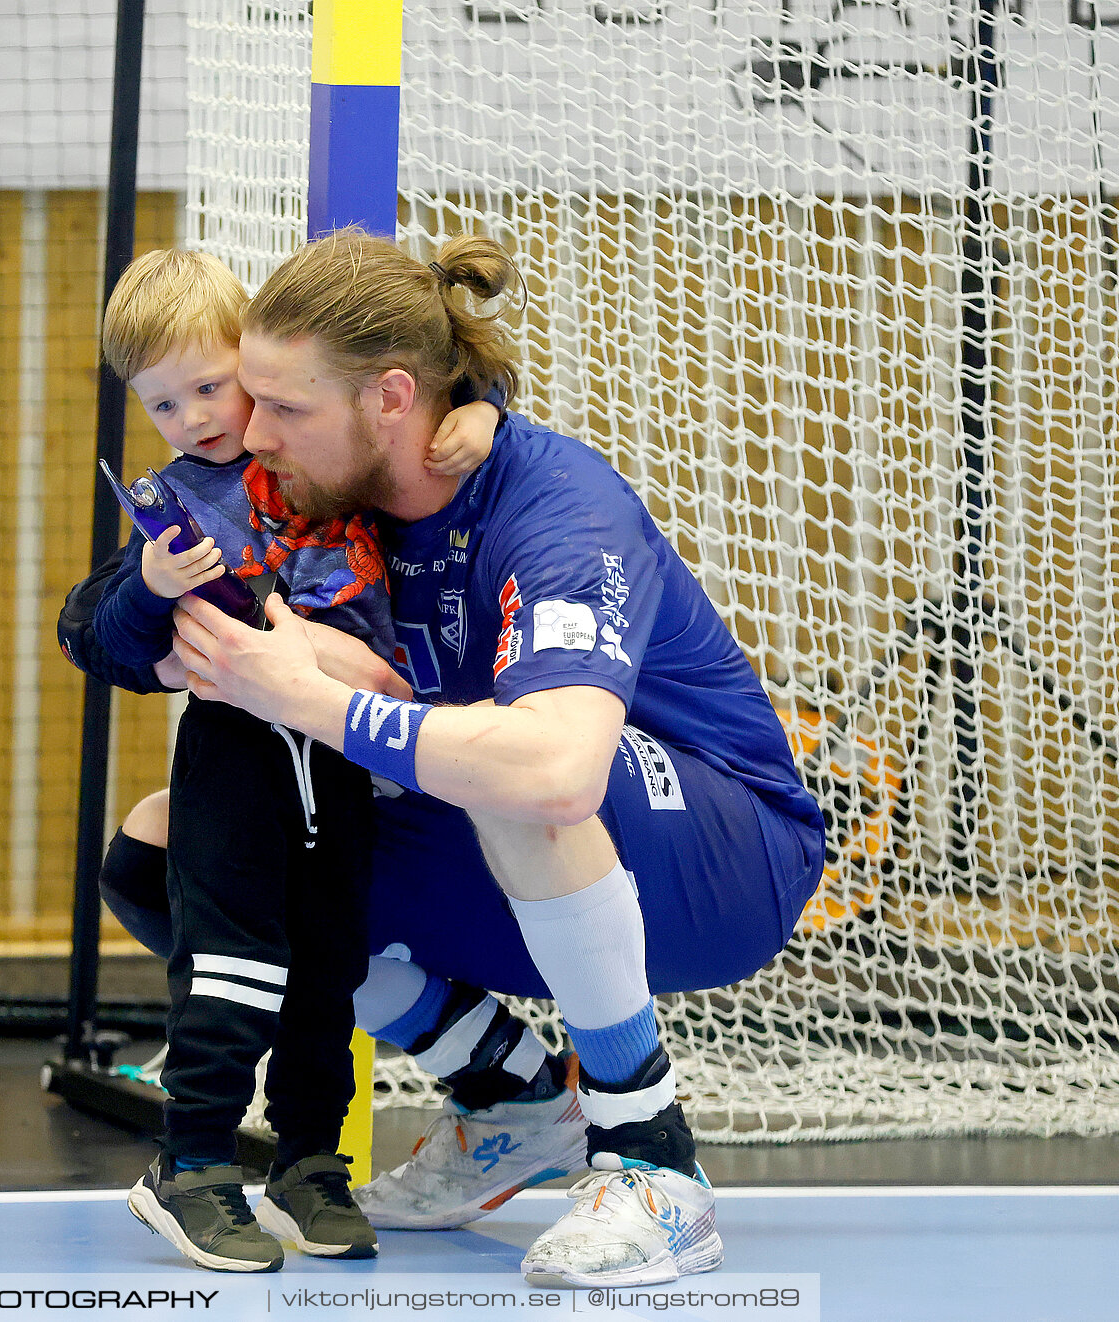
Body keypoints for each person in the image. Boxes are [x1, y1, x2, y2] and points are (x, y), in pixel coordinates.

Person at [156, 228, 826, 1289]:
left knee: (519, 768)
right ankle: (510, 1094)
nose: (252, 430)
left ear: (387, 398)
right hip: (528, 837)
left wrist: (316, 693)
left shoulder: (555, 506)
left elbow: (558, 767)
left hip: (724, 854)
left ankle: (653, 1157)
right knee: (179, 849)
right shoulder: (344, 494)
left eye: (284, 408)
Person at [87, 247, 501, 1273]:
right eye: (162, 403)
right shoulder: (174, 505)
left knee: (329, 969)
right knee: (230, 964)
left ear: (254, 369)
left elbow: (428, 396)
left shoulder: (319, 463)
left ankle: (310, 1160)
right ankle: (191, 1163)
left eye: (208, 386)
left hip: (342, 756)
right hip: (238, 755)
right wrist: (148, 586)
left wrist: (483, 411)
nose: (192, 417)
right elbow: (99, 632)